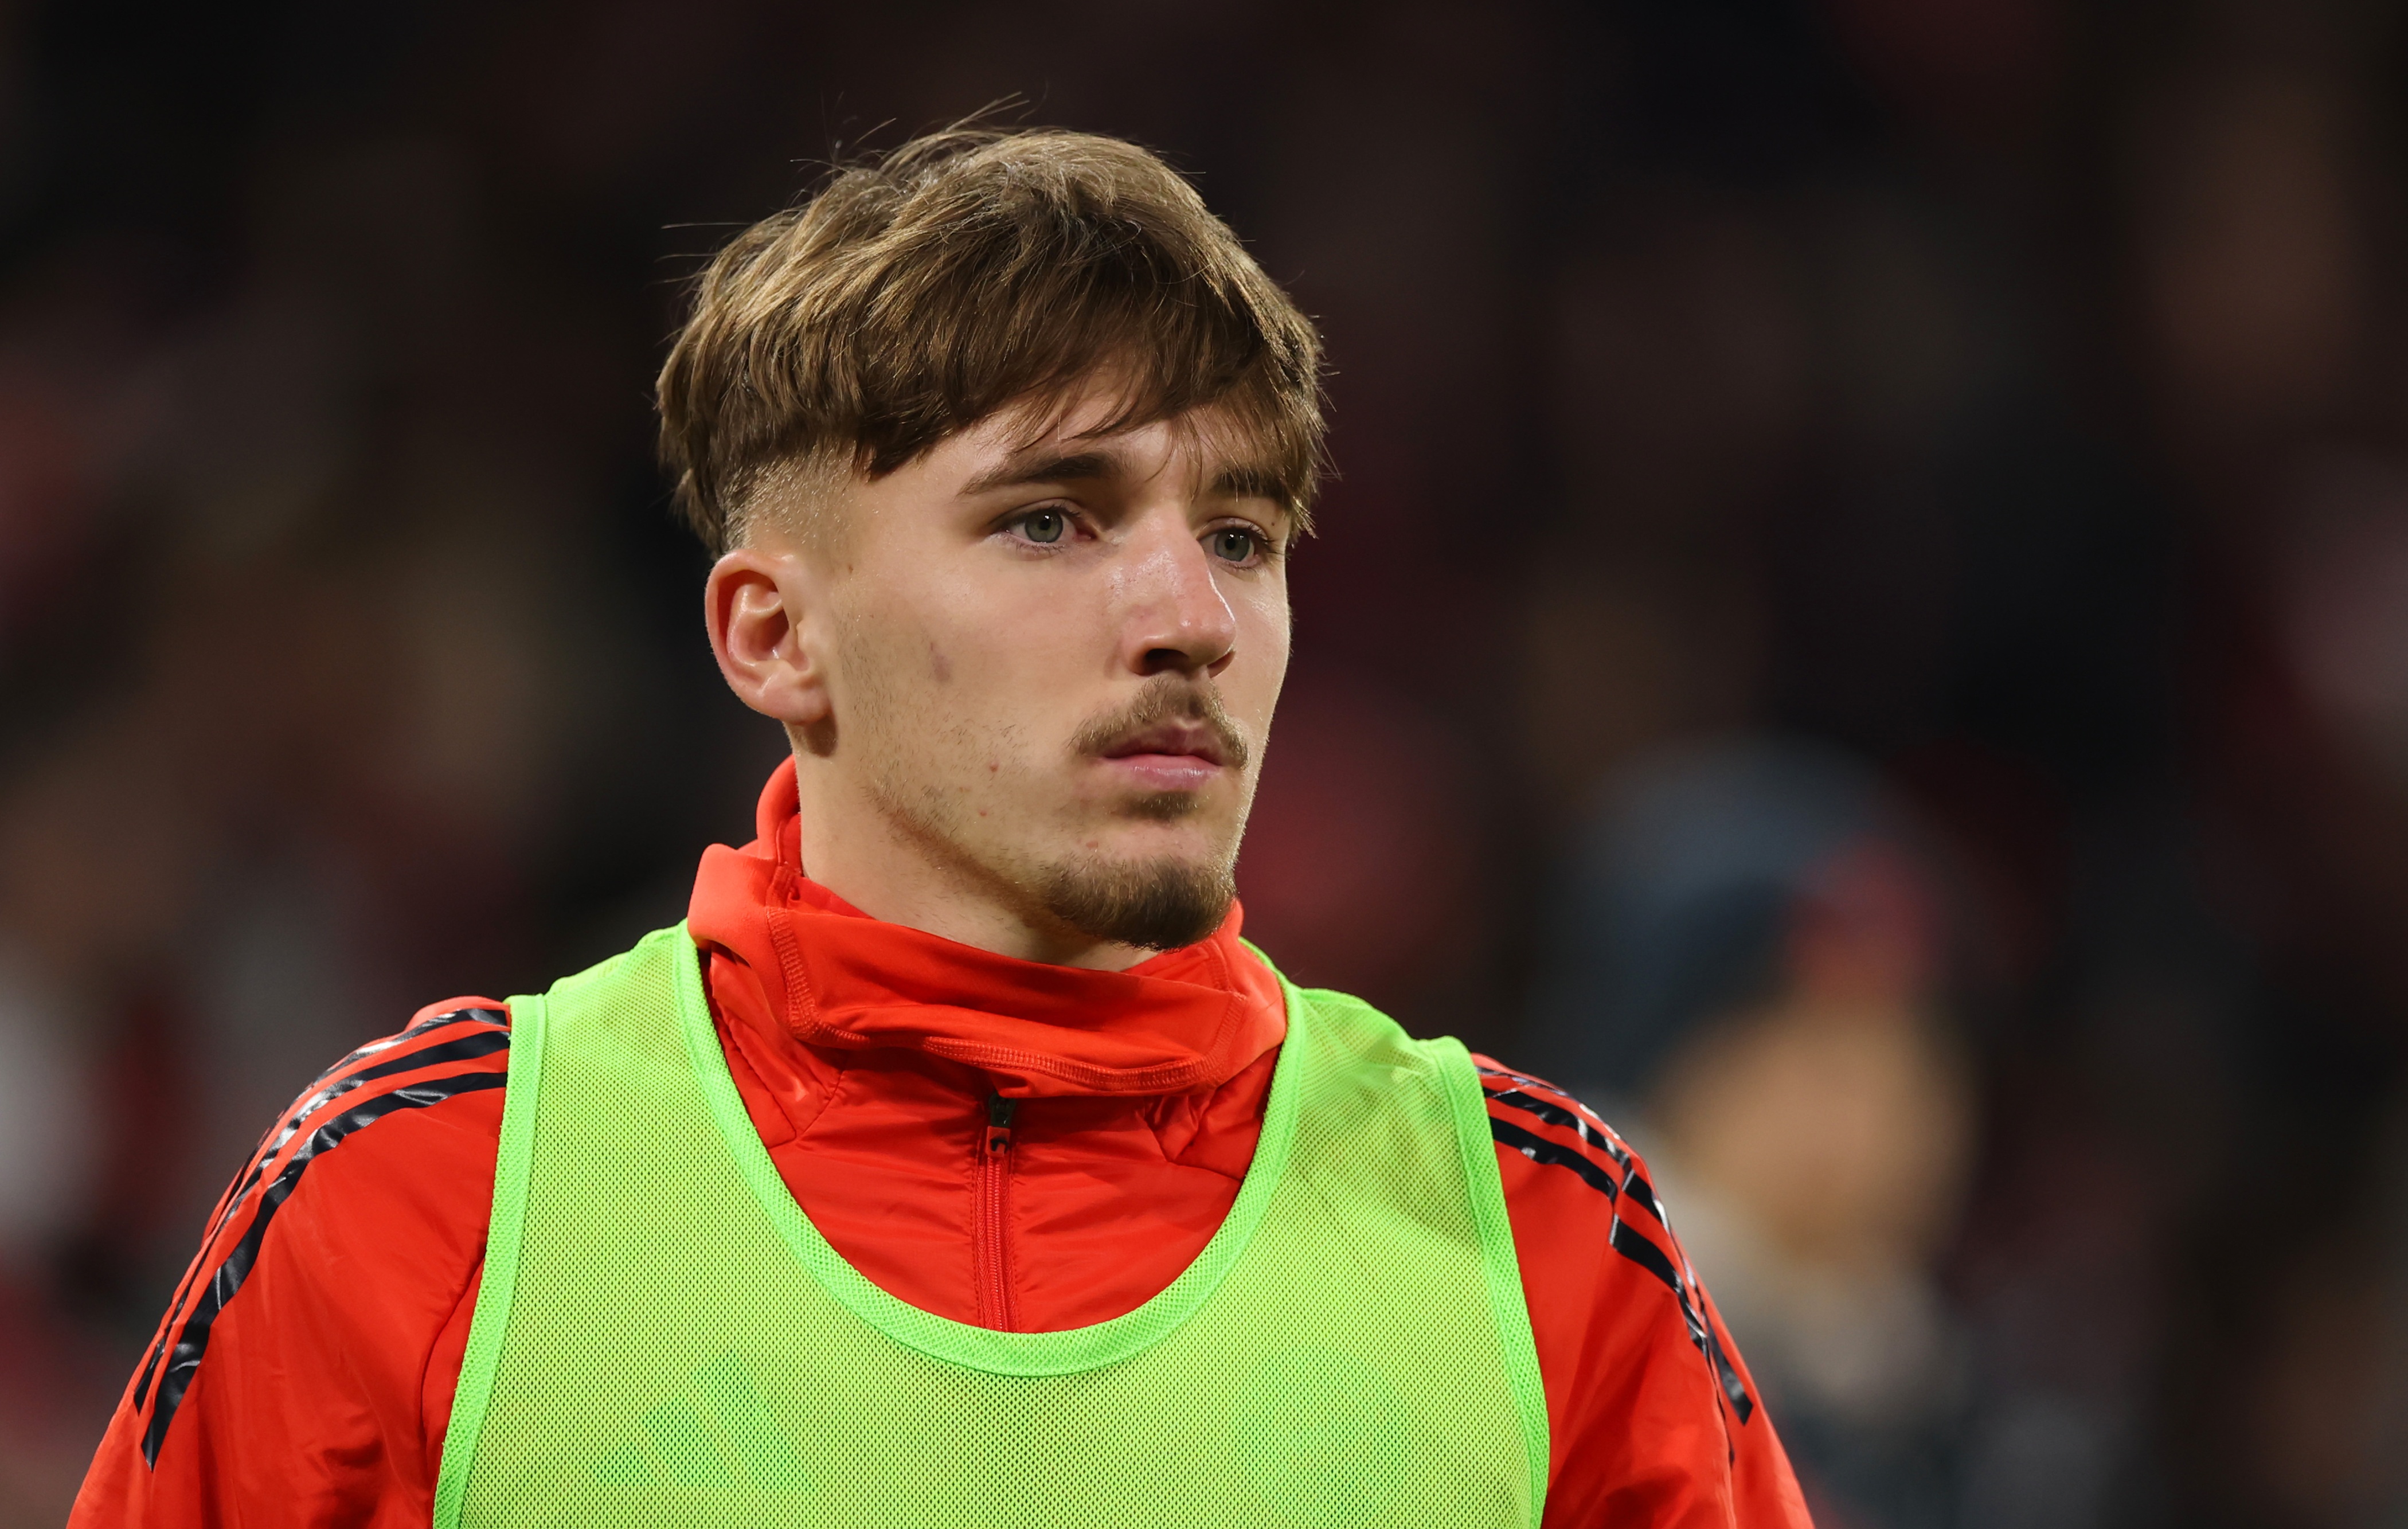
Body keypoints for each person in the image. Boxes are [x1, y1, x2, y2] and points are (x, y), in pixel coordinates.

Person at [68, 126, 1812, 1528]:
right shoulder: (413, 1202)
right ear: (773, 634)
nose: (1189, 615)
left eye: (1243, 534)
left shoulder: (1549, 1246)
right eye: (1052, 521)